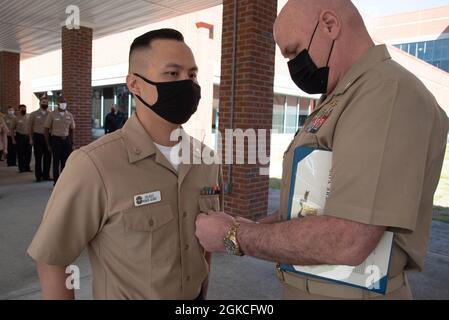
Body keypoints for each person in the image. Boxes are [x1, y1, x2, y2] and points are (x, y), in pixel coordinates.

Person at [195, 0, 449, 300]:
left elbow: (349, 239)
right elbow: (308, 205)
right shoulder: (341, 95)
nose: (292, 65)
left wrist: (234, 237)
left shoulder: (385, 93)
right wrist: (254, 226)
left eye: (293, 51)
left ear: (330, 25)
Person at [28, 28, 221, 300]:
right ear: (134, 85)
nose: (186, 84)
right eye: (172, 73)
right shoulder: (94, 164)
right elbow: (53, 258)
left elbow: (204, 246)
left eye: (191, 75)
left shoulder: (207, 160)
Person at [44, 96, 75, 185]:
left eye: (65, 102)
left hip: (66, 140)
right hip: (56, 140)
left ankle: (64, 181)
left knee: (65, 162)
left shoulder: (69, 115)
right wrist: (48, 144)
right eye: (61, 102)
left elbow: (72, 129)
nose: (63, 104)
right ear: (58, 103)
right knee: (56, 161)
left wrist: (72, 142)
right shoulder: (52, 114)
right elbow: (46, 129)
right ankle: (56, 181)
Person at [29, 97, 52, 182]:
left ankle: (46, 175)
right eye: (43, 102)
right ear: (40, 103)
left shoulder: (50, 114)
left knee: (48, 157)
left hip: (48, 137)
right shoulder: (33, 114)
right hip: (37, 136)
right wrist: (31, 138)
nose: (45, 103)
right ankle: (38, 176)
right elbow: (30, 127)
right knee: (38, 157)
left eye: (46, 102)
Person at [12, 104, 32, 173]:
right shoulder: (15, 118)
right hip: (20, 137)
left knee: (28, 153)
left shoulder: (29, 117)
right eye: (22, 108)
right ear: (19, 109)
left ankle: (27, 167)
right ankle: (21, 168)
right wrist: (13, 139)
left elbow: (31, 128)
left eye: (25, 108)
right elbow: (12, 129)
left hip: (28, 136)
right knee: (20, 153)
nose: (24, 110)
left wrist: (31, 138)